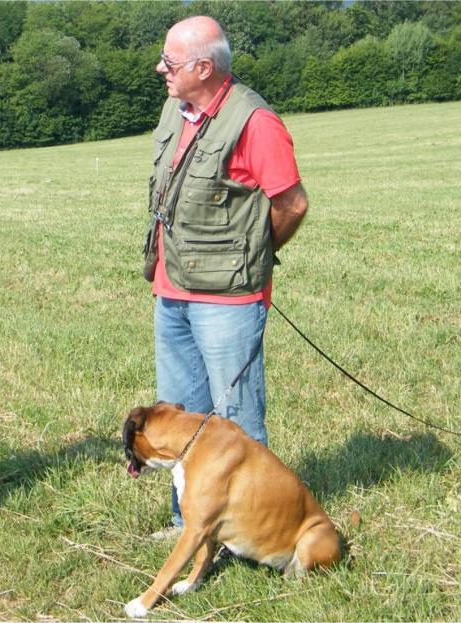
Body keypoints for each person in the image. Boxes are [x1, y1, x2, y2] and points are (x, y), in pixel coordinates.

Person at [142, 16, 308, 539]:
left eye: (169, 62)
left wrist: (253, 257)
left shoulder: (255, 121)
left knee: (236, 425)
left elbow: (292, 203)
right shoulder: (176, 108)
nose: (160, 69)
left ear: (203, 67)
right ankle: (188, 523)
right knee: (181, 421)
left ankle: (251, 532)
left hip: (229, 302)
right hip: (171, 292)